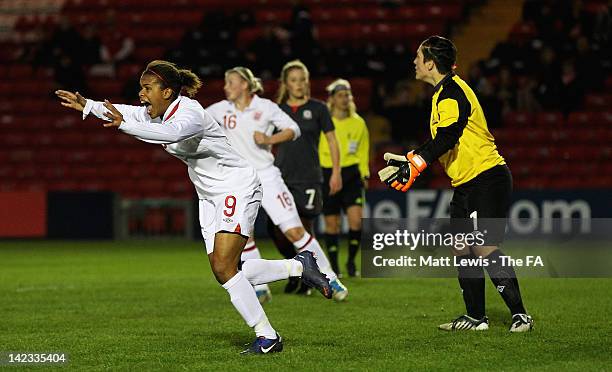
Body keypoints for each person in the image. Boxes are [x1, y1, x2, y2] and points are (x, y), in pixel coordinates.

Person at [55, 60, 333, 354]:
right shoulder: (156, 112)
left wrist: (124, 126)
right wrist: (87, 105)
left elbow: (171, 134)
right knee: (226, 270)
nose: (141, 94)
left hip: (236, 187)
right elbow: (125, 111)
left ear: (168, 91)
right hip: (209, 195)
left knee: (226, 268)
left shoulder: (190, 113)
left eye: (147, 88)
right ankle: (298, 266)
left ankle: (268, 336)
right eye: (141, 88)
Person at [378, 36, 533, 332]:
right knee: (461, 247)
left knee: (484, 246)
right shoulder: (444, 92)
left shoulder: (451, 93)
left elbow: (448, 136)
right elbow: (443, 140)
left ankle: (521, 315)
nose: (414, 62)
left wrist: (417, 163)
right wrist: (413, 157)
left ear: (430, 63)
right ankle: (476, 318)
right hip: (466, 182)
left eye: (418, 57)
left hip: (486, 177)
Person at [206, 66, 348, 302]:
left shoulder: (265, 108)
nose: (225, 87)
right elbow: (196, 121)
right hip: (239, 181)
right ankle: (261, 288)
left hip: (267, 177)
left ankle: (330, 276)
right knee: (246, 235)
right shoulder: (220, 110)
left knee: (295, 232)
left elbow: (293, 129)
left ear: (244, 84)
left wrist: (269, 139)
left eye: (230, 82)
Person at [273, 60, 343, 293]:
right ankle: (297, 269)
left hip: (309, 177)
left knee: (304, 228)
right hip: (280, 177)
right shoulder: (277, 110)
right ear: (286, 84)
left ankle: (308, 279)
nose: (299, 84)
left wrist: (335, 172)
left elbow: (332, 141)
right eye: (294, 80)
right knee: (277, 231)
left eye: (302, 79)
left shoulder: (320, 108)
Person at [319, 79, 370, 277]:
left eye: (347, 95)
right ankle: (334, 267)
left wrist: (364, 173)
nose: (345, 99)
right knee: (333, 224)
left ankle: (350, 262)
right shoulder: (324, 122)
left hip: (351, 174)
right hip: (327, 172)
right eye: (340, 95)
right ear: (332, 99)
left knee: (356, 222)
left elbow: (363, 150)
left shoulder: (358, 123)